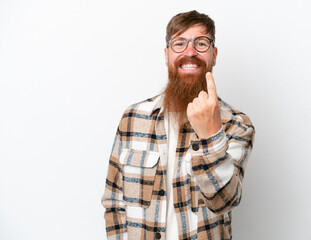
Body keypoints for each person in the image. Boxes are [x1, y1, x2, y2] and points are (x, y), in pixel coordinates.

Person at [101, 10, 255, 240]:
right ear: (167, 54)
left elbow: (224, 201)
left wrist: (211, 134)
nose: (190, 52)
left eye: (201, 43)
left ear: (214, 54)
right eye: (179, 43)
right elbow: (114, 202)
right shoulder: (132, 119)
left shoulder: (237, 124)